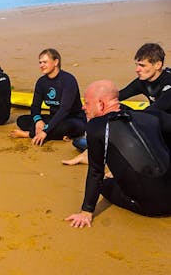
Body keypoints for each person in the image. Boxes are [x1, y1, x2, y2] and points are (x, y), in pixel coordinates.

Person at [65, 80, 171, 228]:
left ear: (101, 104)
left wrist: (86, 211)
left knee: (105, 184)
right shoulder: (151, 116)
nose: (83, 107)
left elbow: (96, 172)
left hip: (152, 207)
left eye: (87, 103)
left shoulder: (96, 127)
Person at [62, 43, 171, 165]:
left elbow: (155, 110)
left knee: (135, 116)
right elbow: (116, 96)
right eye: (137, 65)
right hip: (153, 124)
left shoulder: (169, 82)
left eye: (142, 65)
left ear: (158, 65)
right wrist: (94, 107)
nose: (137, 69)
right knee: (115, 108)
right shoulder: (143, 81)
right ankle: (102, 147)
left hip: (166, 130)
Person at [9, 48, 86, 146]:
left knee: (66, 127)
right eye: (40, 62)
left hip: (73, 119)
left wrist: (45, 131)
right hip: (53, 118)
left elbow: (64, 110)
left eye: (44, 62)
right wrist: (38, 121)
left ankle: (29, 134)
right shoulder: (41, 82)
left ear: (56, 62)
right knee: (22, 120)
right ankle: (58, 135)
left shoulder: (68, 80)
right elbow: (35, 106)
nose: (41, 65)